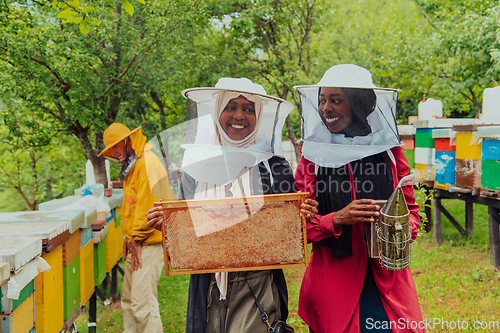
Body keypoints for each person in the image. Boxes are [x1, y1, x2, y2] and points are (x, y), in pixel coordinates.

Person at [146, 78, 317, 333]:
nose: (239, 115)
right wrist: (167, 226)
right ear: (217, 112)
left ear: (259, 115)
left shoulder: (274, 167)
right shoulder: (195, 168)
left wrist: (301, 217)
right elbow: (186, 234)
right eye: (230, 107)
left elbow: (291, 234)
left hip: (258, 284)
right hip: (207, 285)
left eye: (248, 109)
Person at [294, 64, 424, 333]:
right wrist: (337, 218)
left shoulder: (389, 151)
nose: (325, 108)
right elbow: (296, 227)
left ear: (358, 103)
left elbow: (412, 214)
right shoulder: (312, 156)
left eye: (336, 100)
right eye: (322, 100)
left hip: (387, 280)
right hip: (334, 282)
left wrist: (397, 226)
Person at [98, 123, 173, 333]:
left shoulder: (147, 163)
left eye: (114, 147)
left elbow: (149, 205)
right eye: (109, 150)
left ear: (126, 141)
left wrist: (136, 237)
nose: (112, 154)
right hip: (137, 242)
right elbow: (133, 205)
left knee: (142, 304)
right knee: (129, 301)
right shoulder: (136, 164)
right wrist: (128, 237)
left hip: (147, 244)